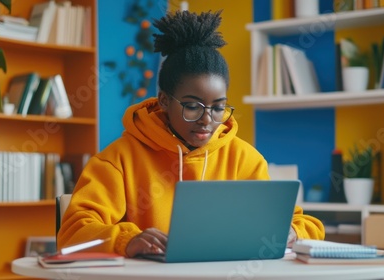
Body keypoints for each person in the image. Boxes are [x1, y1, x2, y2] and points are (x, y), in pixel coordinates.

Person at [57, 10, 325, 258]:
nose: (207, 120)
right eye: (192, 106)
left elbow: (305, 224)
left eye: (218, 107)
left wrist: (293, 233)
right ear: (163, 100)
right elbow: (72, 235)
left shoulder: (246, 160)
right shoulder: (118, 160)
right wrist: (127, 239)